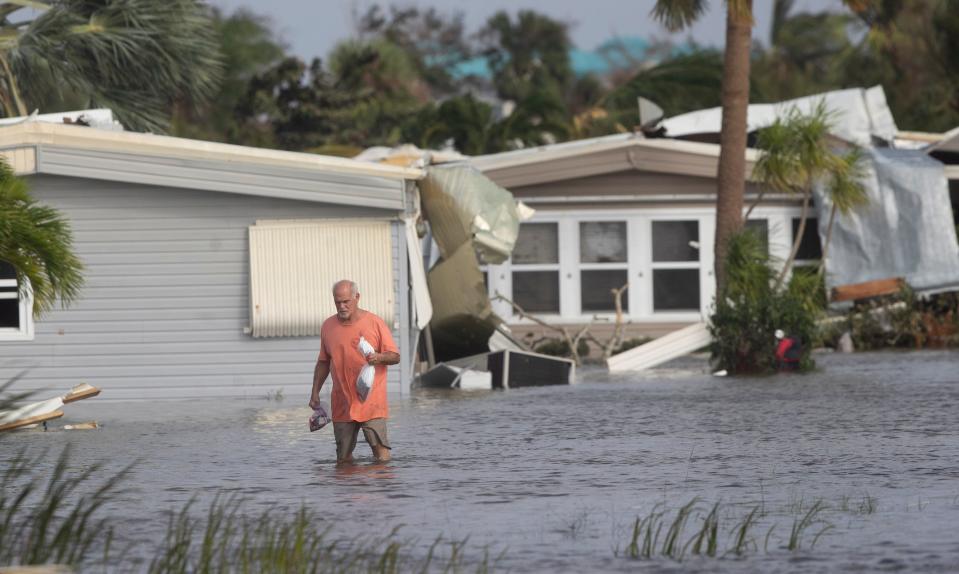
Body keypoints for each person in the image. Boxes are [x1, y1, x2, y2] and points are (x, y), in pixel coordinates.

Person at [310, 280, 400, 463]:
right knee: (343, 457)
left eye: (346, 302)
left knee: (380, 454)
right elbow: (323, 362)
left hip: (371, 401)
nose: (341, 306)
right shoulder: (328, 326)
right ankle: (347, 490)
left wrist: (379, 358)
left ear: (357, 297)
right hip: (342, 401)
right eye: (337, 302)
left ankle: (383, 488)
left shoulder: (375, 323)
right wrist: (315, 393)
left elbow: (395, 357)